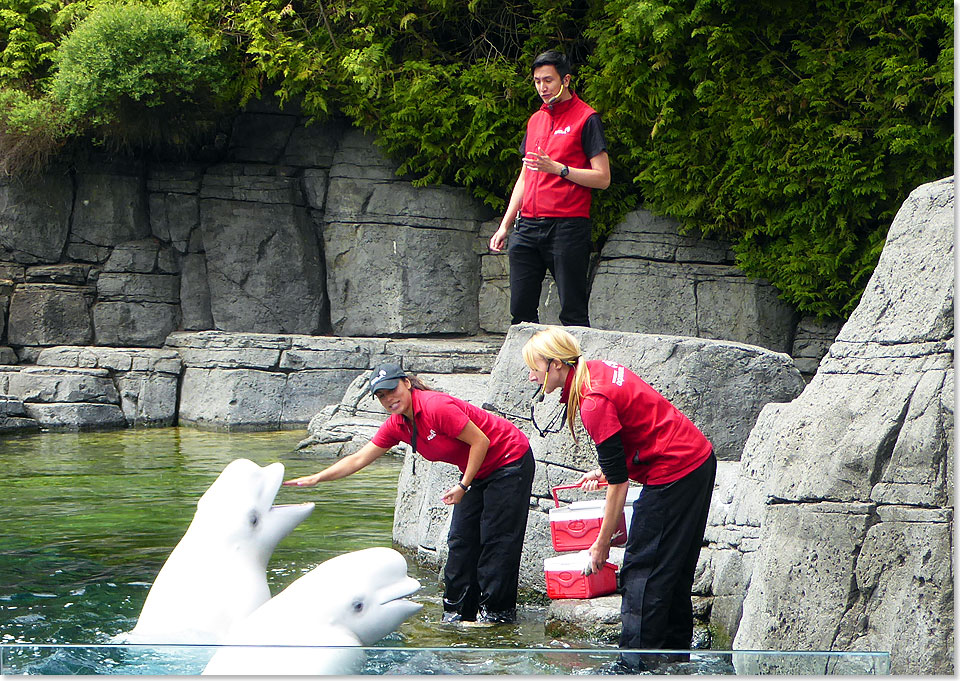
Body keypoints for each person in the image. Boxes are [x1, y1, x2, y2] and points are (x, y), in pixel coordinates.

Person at [521, 327, 716, 669]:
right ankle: (673, 661)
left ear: (554, 365)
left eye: (534, 366)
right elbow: (635, 432)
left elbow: (619, 486)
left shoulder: (592, 400)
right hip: (694, 461)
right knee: (674, 569)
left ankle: (633, 666)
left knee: (643, 569)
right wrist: (610, 470)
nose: (531, 374)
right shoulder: (596, 369)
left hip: (675, 471)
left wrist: (601, 543)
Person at [284, 362, 535, 625]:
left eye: (391, 390)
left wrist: (463, 486)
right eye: (381, 396)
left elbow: (481, 440)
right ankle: (456, 614)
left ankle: (496, 618)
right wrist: (317, 477)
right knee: (460, 541)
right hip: (478, 470)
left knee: (496, 541)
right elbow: (359, 459)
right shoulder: (398, 424)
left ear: (406, 383)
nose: (388, 399)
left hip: (509, 460)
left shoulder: (435, 407)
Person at [489, 50, 610, 328]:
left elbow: (603, 178)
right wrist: (505, 226)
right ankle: (528, 370)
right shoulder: (536, 120)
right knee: (520, 313)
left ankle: (577, 371)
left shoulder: (587, 118)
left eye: (548, 81)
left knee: (573, 312)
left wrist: (559, 169)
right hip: (527, 227)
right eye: (537, 82)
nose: (542, 88)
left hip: (567, 227)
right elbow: (524, 176)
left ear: (565, 80)